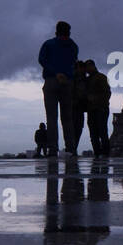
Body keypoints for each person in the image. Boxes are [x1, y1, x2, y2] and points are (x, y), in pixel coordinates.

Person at [37, 21, 78, 154]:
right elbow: (73, 61)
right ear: (69, 32)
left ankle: (53, 148)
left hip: (51, 80)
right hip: (67, 81)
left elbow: (42, 60)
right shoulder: (73, 46)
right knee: (67, 118)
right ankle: (71, 148)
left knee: (51, 118)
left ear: (56, 31)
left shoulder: (48, 44)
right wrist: (65, 74)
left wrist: (55, 73)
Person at [83, 60, 112, 157]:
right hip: (95, 108)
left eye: (87, 67)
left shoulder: (99, 78)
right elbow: (107, 93)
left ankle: (100, 153)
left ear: (92, 66)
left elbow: (107, 93)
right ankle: (101, 153)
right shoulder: (94, 78)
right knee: (97, 132)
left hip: (99, 108)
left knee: (99, 132)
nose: (86, 70)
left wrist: (95, 99)